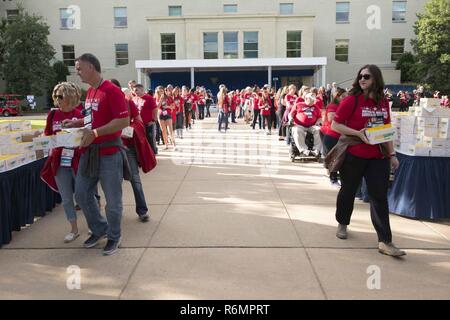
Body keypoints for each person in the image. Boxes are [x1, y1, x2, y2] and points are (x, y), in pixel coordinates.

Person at [331, 64, 406, 257]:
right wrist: (357, 133)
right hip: (354, 155)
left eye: (367, 76)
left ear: (376, 80)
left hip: (378, 156)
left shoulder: (382, 103)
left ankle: (385, 241)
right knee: (348, 191)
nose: (362, 79)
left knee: (379, 197)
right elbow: (335, 124)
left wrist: (392, 155)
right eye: (361, 76)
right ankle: (343, 223)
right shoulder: (351, 100)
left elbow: (387, 131)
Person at [66, 53, 129, 256]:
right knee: (82, 194)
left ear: (91, 67)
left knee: (113, 200)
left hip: (110, 153)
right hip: (90, 152)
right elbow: (91, 118)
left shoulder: (112, 91)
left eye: (79, 68)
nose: (77, 72)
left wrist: (95, 133)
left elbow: (123, 121)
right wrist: (76, 123)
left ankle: (114, 236)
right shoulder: (91, 92)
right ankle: (100, 229)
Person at [41, 82, 83, 242]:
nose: (57, 99)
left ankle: (96, 224)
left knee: (83, 195)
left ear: (71, 97)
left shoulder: (79, 115)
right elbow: (48, 134)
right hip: (58, 160)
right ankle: (74, 229)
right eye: (56, 95)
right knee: (66, 198)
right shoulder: (52, 115)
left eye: (61, 96)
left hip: (77, 159)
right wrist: (44, 138)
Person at [110, 79, 152, 222]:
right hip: (109, 149)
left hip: (127, 147)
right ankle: (116, 211)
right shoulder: (104, 106)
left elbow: (139, 121)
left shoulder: (128, 103)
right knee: (113, 183)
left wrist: (129, 129)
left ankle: (142, 210)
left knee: (135, 179)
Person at [320, 87, 347, 187]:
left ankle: (335, 178)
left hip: (340, 136)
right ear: (337, 96)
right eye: (343, 96)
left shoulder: (342, 105)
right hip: (332, 136)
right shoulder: (333, 106)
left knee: (338, 159)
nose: (345, 98)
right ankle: (333, 180)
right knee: (334, 159)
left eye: (346, 96)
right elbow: (331, 118)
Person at [289, 92, 322, 157]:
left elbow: (319, 117)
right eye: (312, 100)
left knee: (319, 130)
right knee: (297, 130)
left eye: (314, 100)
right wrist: (290, 119)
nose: (313, 101)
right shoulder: (298, 105)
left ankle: (316, 150)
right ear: (306, 98)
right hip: (299, 125)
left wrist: (318, 122)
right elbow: (290, 114)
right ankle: (303, 150)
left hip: (312, 126)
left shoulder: (316, 107)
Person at [133, 84, 159, 155]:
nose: (135, 92)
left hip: (148, 124)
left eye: (136, 90)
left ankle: (153, 154)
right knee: (142, 141)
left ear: (142, 90)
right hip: (139, 124)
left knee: (150, 140)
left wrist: (153, 120)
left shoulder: (149, 98)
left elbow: (155, 109)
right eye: (134, 90)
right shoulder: (135, 98)